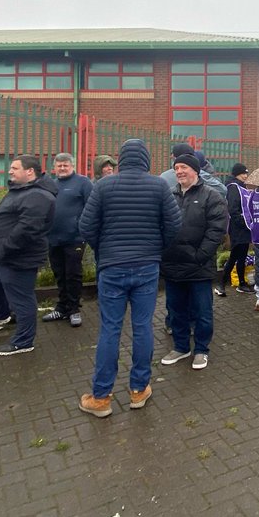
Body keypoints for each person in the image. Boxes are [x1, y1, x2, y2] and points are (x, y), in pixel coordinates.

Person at [78, 139, 181, 417]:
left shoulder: (103, 186)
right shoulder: (158, 185)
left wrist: (105, 249)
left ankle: (100, 398)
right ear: (146, 159)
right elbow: (174, 224)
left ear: (120, 159)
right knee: (143, 327)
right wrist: (155, 249)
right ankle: (139, 390)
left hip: (112, 268)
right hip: (147, 267)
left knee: (110, 329)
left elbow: (86, 226)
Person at [0, 155, 58, 356]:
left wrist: (4, 248)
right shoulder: (20, 190)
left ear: (30, 171)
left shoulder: (39, 196)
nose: (10, 171)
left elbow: (28, 228)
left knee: (21, 299)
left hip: (17, 257)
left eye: (15, 168)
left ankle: (23, 341)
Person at [160, 154, 228, 370]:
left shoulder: (211, 196)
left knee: (202, 311)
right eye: (176, 168)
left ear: (196, 171)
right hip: (172, 264)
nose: (179, 171)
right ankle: (181, 347)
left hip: (199, 266)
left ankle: (201, 349)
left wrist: (200, 256)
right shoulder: (169, 197)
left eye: (184, 167)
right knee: (176, 310)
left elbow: (216, 230)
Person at [43, 152, 93, 327]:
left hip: (75, 238)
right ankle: (61, 307)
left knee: (73, 274)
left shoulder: (83, 183)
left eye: (66, 165)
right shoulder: (51, 184)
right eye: (59, 165)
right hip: (53, 237)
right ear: (54, 167)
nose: (62, 168)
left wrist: (80, 226)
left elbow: (91, 206)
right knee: (59, 273)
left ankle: (73, 309)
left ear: (73, 166)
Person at [217, 163, 255, 297]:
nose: (246, 175)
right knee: (234, 255)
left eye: (246, 173)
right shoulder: (233, 188)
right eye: (243, 173)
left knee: (242, 256)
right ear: (236, 173)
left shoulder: (242, 187)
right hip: (238, 228)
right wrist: (243, 223)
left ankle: (242, 283)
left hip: (245, 228)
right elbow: (233, 210)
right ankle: (221, 285)